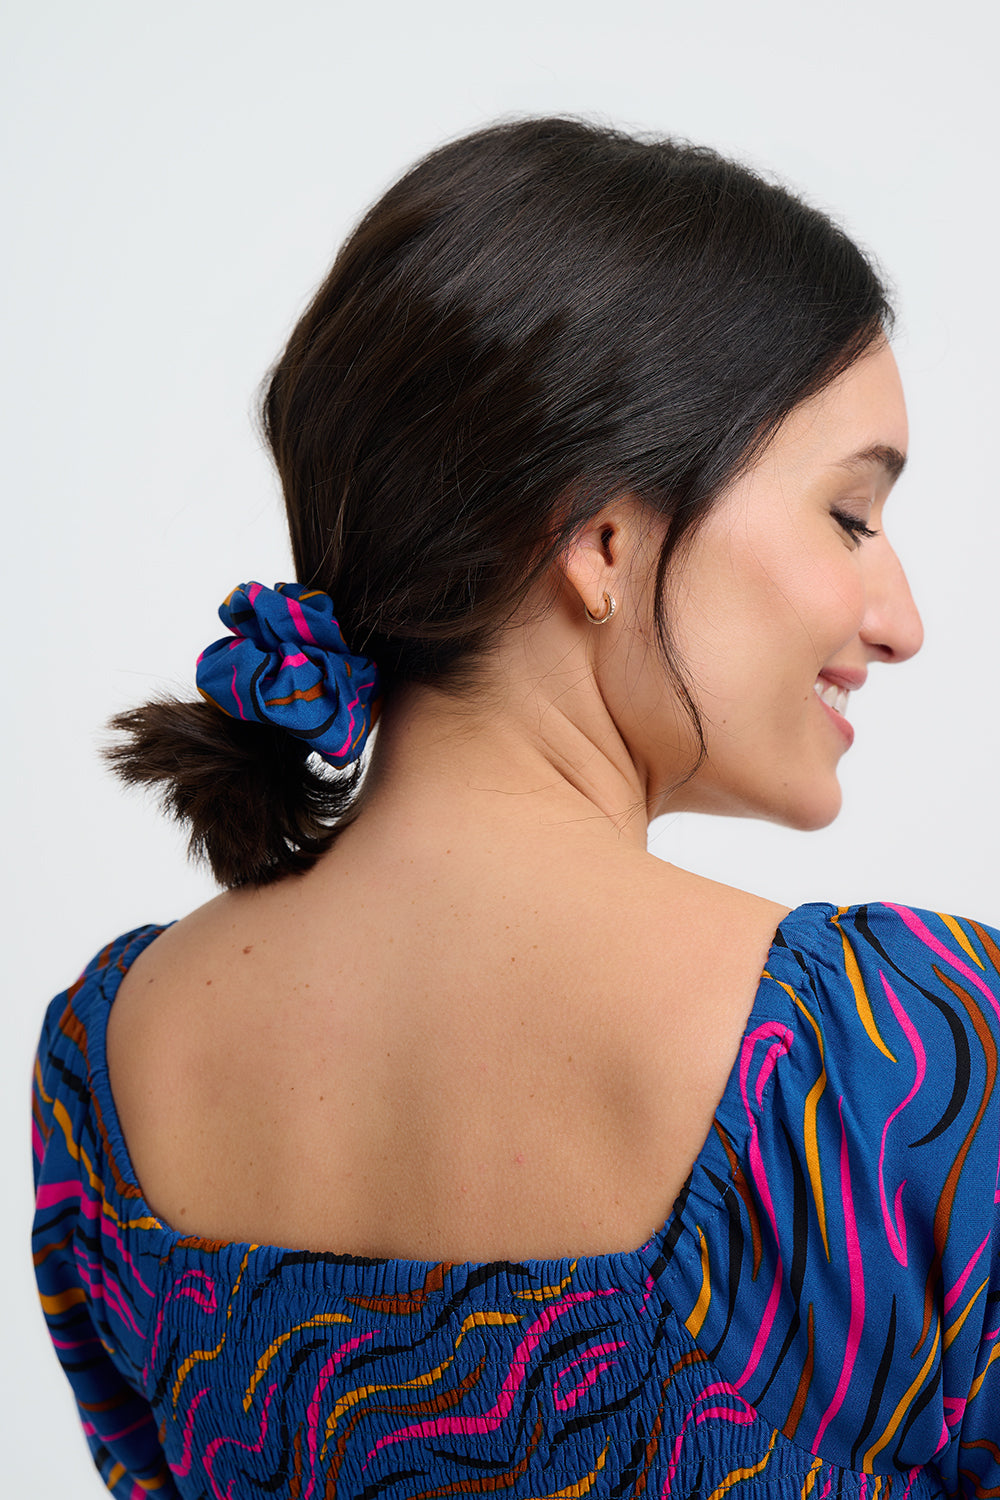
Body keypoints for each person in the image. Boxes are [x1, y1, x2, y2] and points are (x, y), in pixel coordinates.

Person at [31, 118, 1000, 1499]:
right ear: (603, 537)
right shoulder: (891, 1054)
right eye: (851, 516)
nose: (898, 620)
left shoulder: (108, 1064)